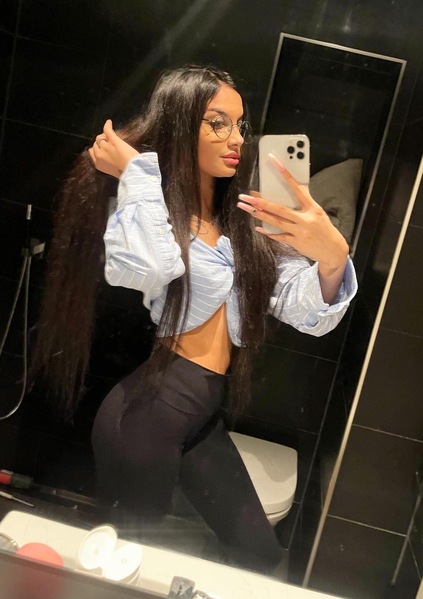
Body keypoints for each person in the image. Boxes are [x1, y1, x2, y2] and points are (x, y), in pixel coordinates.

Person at [34, 65, 357, 575]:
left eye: (240, 125)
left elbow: (306, 312)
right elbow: (143, 266)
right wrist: (138, 173)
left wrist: (333, 258)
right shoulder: (151, 209)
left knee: (259, 554)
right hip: (146, 419)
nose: (237, 139)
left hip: (201, 417)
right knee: (129, 572)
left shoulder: (242, 223)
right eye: (217, 123)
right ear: (182, 127)